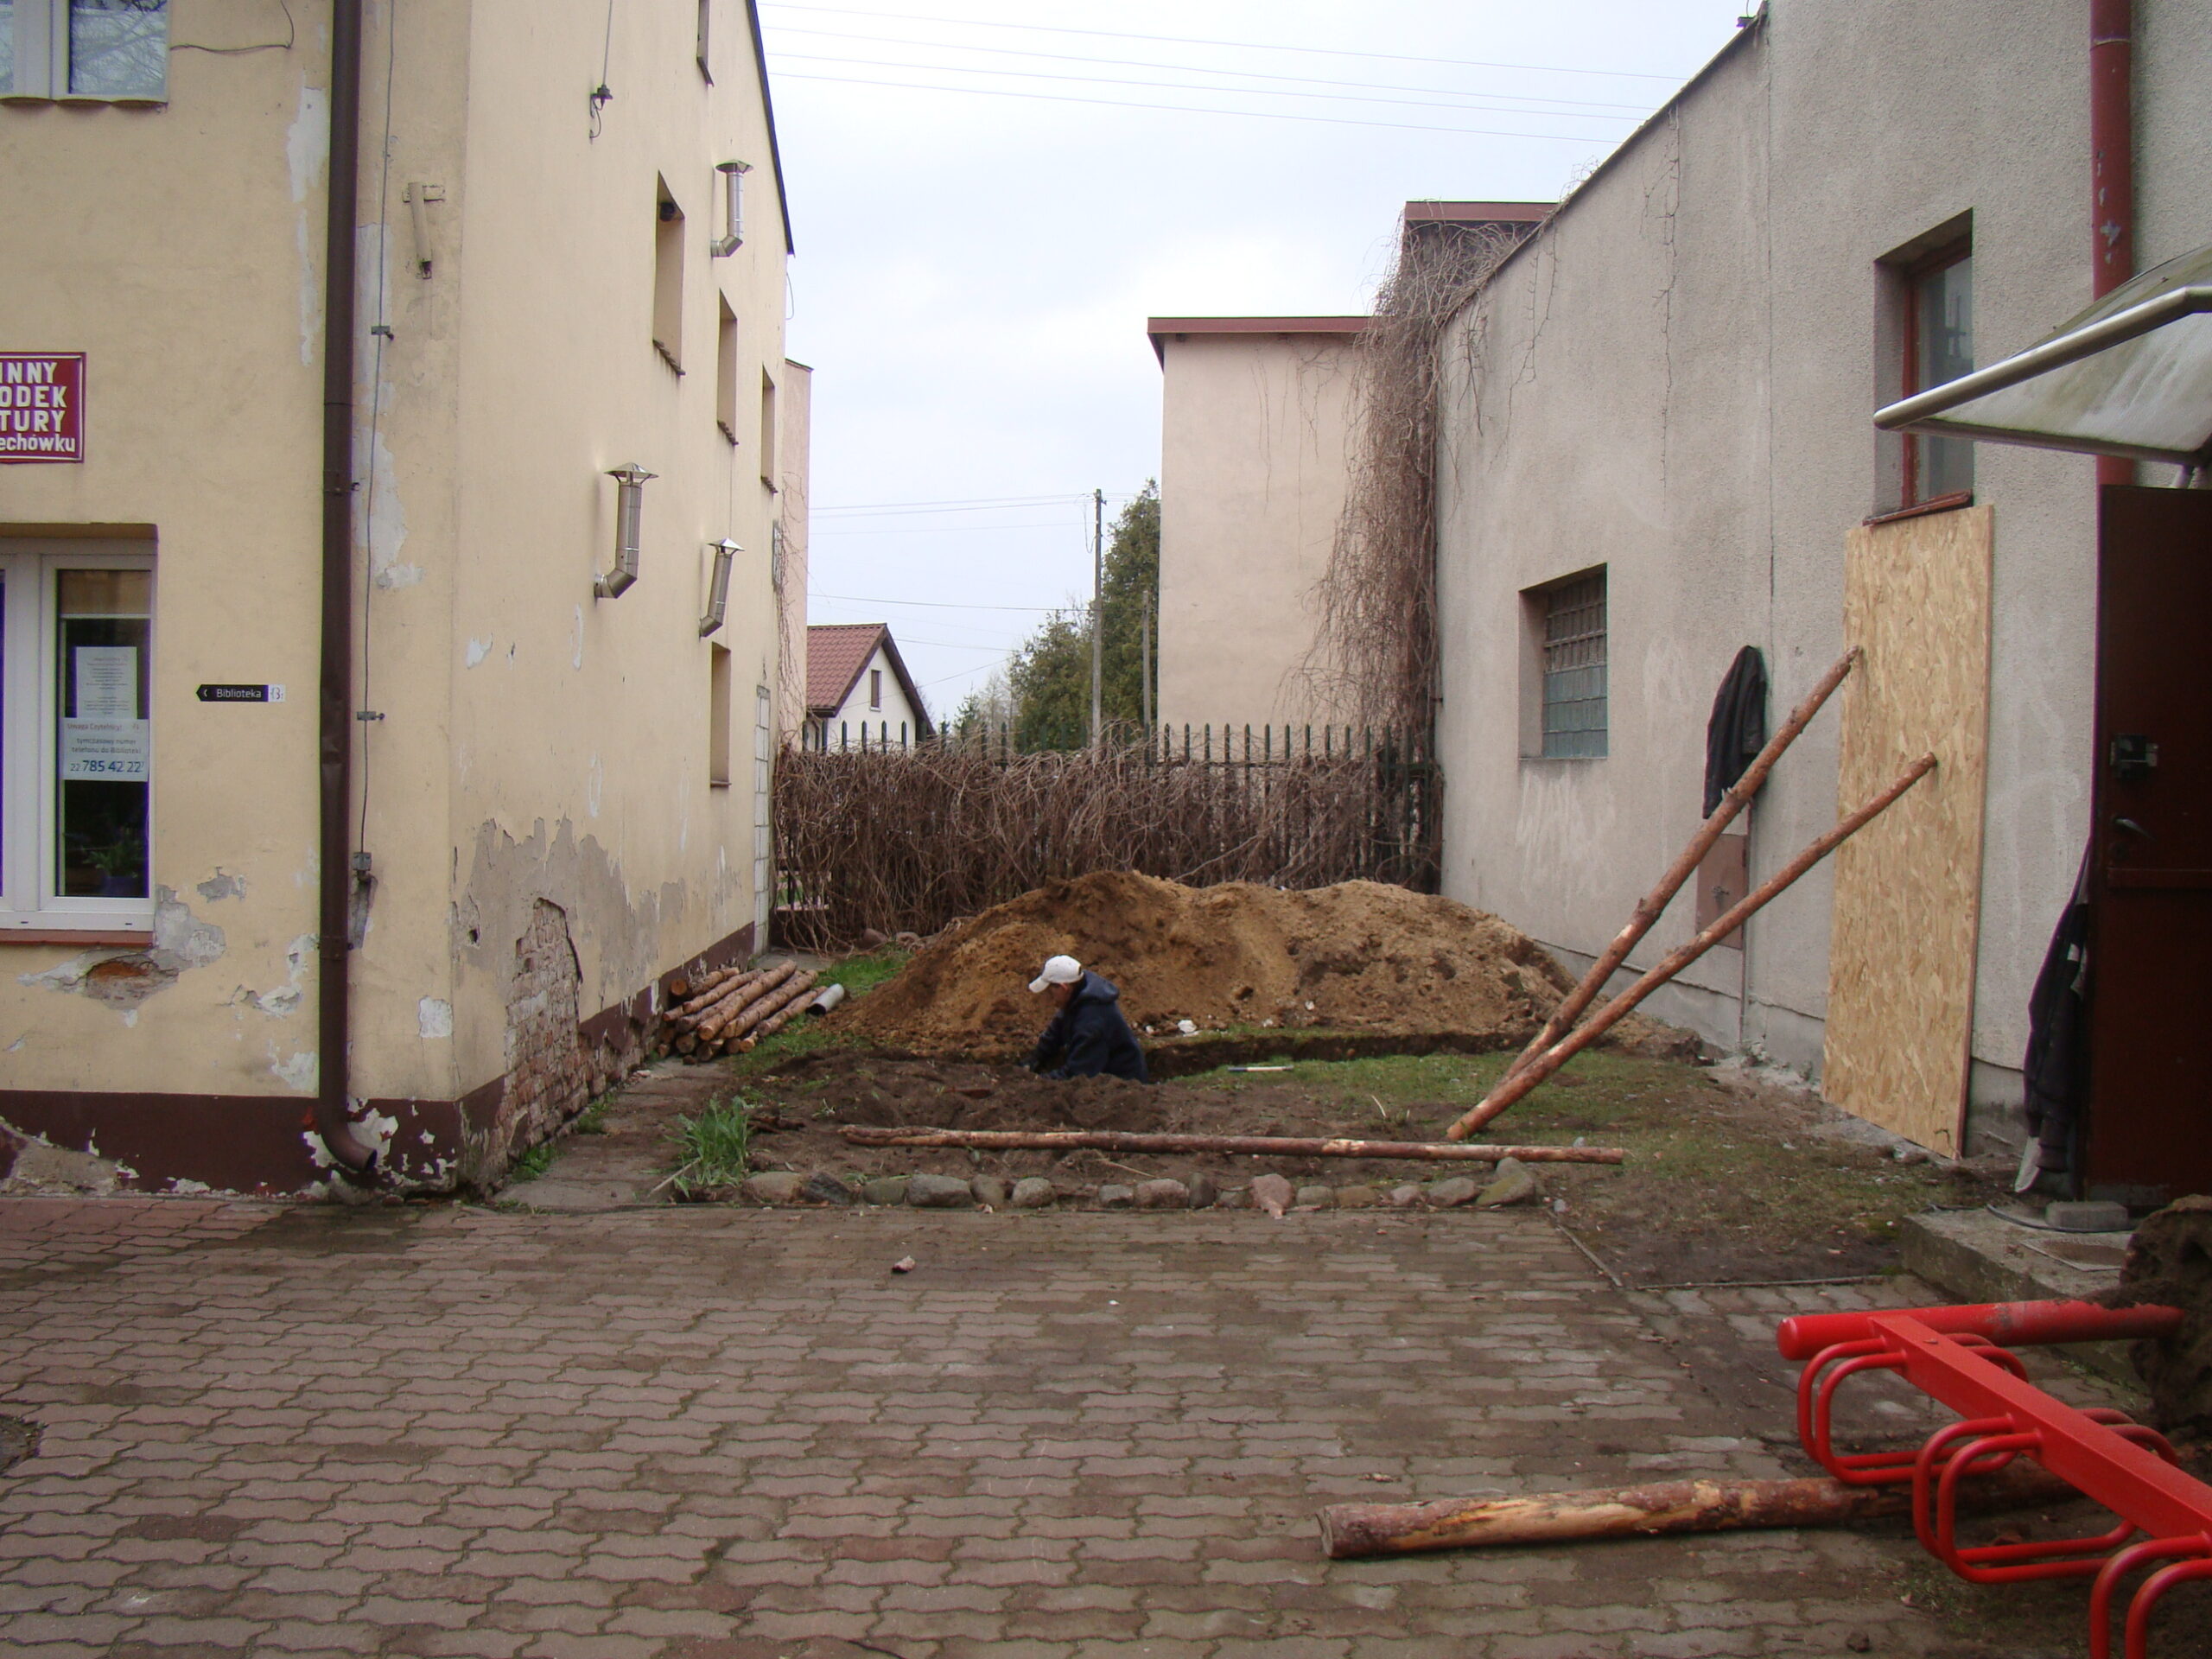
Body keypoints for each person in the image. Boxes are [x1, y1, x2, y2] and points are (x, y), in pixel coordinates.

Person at [1025, 955, 1149, 1082]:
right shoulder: (1077, 995)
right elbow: (1055, 1032)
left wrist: (1038, 1081)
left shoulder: (1091, 1022)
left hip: (1124, 1083)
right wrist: (1032, 1062)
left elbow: (1078, 1076)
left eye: (1050, 992)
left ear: (1063, 988)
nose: (1051, 999)